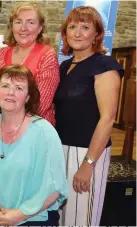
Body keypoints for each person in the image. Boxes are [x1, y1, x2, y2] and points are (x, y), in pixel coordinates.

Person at [0, 65, 68, 226]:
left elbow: (54, 187)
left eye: (19, 88)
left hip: (33, 217)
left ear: (28, 97)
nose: (10, 92)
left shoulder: (44, 132)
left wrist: (19, 215)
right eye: (5, 86)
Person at [54, 6, 124, 226]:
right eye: (72, 27)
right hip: (61, 149)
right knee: (62, 217)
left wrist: (88, 164)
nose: (77, 32)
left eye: (85, 27)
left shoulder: (105, 65)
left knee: (81, 219)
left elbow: (107, 119)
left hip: (87, 151)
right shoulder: (65, 66)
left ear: (97, 34)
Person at [0, 2, 59, 126]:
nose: (23, 28)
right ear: (12, 26)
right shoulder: (1, 54)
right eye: (18, 22)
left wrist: (15, 126)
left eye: (30, 22)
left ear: (40, 28)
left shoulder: (47, 55)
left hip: (34, 129)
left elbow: (41, 103)